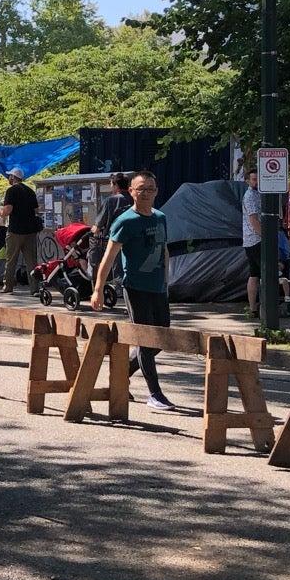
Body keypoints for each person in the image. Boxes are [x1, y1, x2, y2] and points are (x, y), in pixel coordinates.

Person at [90, 172, 179, 413]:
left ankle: (121, 374)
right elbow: (109, 257)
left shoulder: (160, 218)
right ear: (131, 191)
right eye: (141, 189)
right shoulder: (125, 221)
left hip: (158, 287)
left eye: (150, 188)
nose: (146, 193)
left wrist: (167, 282)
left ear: (156, 191)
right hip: (135, 286)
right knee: (144, 338)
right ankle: (155, 394)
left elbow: (164, 252)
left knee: (162, 337)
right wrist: (98, 289)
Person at [0, 168, 43, 293]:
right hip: (30, 231)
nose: (8, 179)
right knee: (31, 261)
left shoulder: (11, 190)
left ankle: (8, 286)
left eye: (9, 176)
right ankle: (35, 289)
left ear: (13, 177)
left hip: (15, 230)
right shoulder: (30, 191)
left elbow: (8, 210)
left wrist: (0, 214)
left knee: (11, 260)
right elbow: (36, 211)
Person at [240, 167, 264, 318]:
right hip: (256, 239)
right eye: (254, 179)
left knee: (254, 274)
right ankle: (262, 307)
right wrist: (265, 236)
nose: (256, 182)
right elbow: (253, 219)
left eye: (258, 179)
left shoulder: (257, 194)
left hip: (250, 239)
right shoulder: (250, 196)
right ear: (248, 181)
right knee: (264, 272)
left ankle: (252, 308)